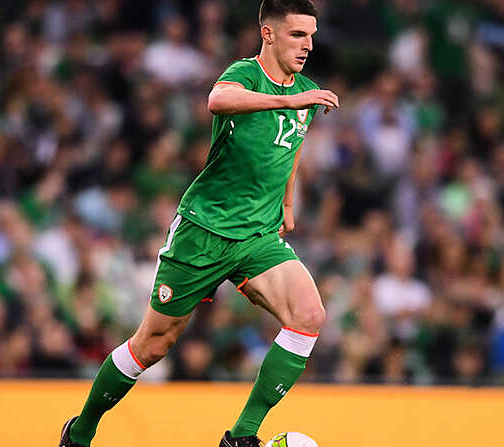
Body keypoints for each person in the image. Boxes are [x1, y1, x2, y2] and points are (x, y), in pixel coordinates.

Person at [58, 1, 339, 446]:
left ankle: (241, 437)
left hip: (257, 235)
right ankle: (81, 430)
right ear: (268, 34)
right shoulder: (247, 76)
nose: (308, 45)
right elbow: (217, 100)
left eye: (311, 35)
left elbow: (293, 144)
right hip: (204, 231)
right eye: (297, 35)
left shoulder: (305, 91)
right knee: (152, 345)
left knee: (309, 314)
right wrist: (289, 99)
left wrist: (287, 200)